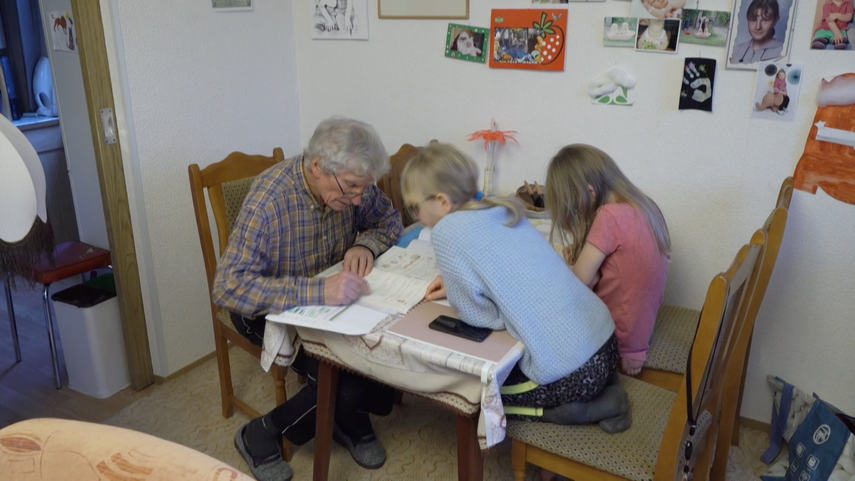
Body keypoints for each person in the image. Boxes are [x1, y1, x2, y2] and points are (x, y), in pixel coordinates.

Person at [212, 117, 402, 481]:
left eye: (364, 189)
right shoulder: (269, 200)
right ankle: (259, 433)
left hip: (327, 303)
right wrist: (318, 291)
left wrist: (365, 243)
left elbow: (388, 220)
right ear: (318, 167)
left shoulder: (352, 181)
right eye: (350, 189)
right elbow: (227, 288)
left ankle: (343, 418)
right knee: (345, 379)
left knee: (376, 363)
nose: (358, 200)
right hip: (266, 308)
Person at [545, 144, 670, 377]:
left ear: (590, 192)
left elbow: (579, 284)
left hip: (617, 340)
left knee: (543, 327)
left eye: (573, 205)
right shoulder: (644, 206)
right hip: (641, 327)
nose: (575, 213)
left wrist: (581, 268)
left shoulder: (609, 215)